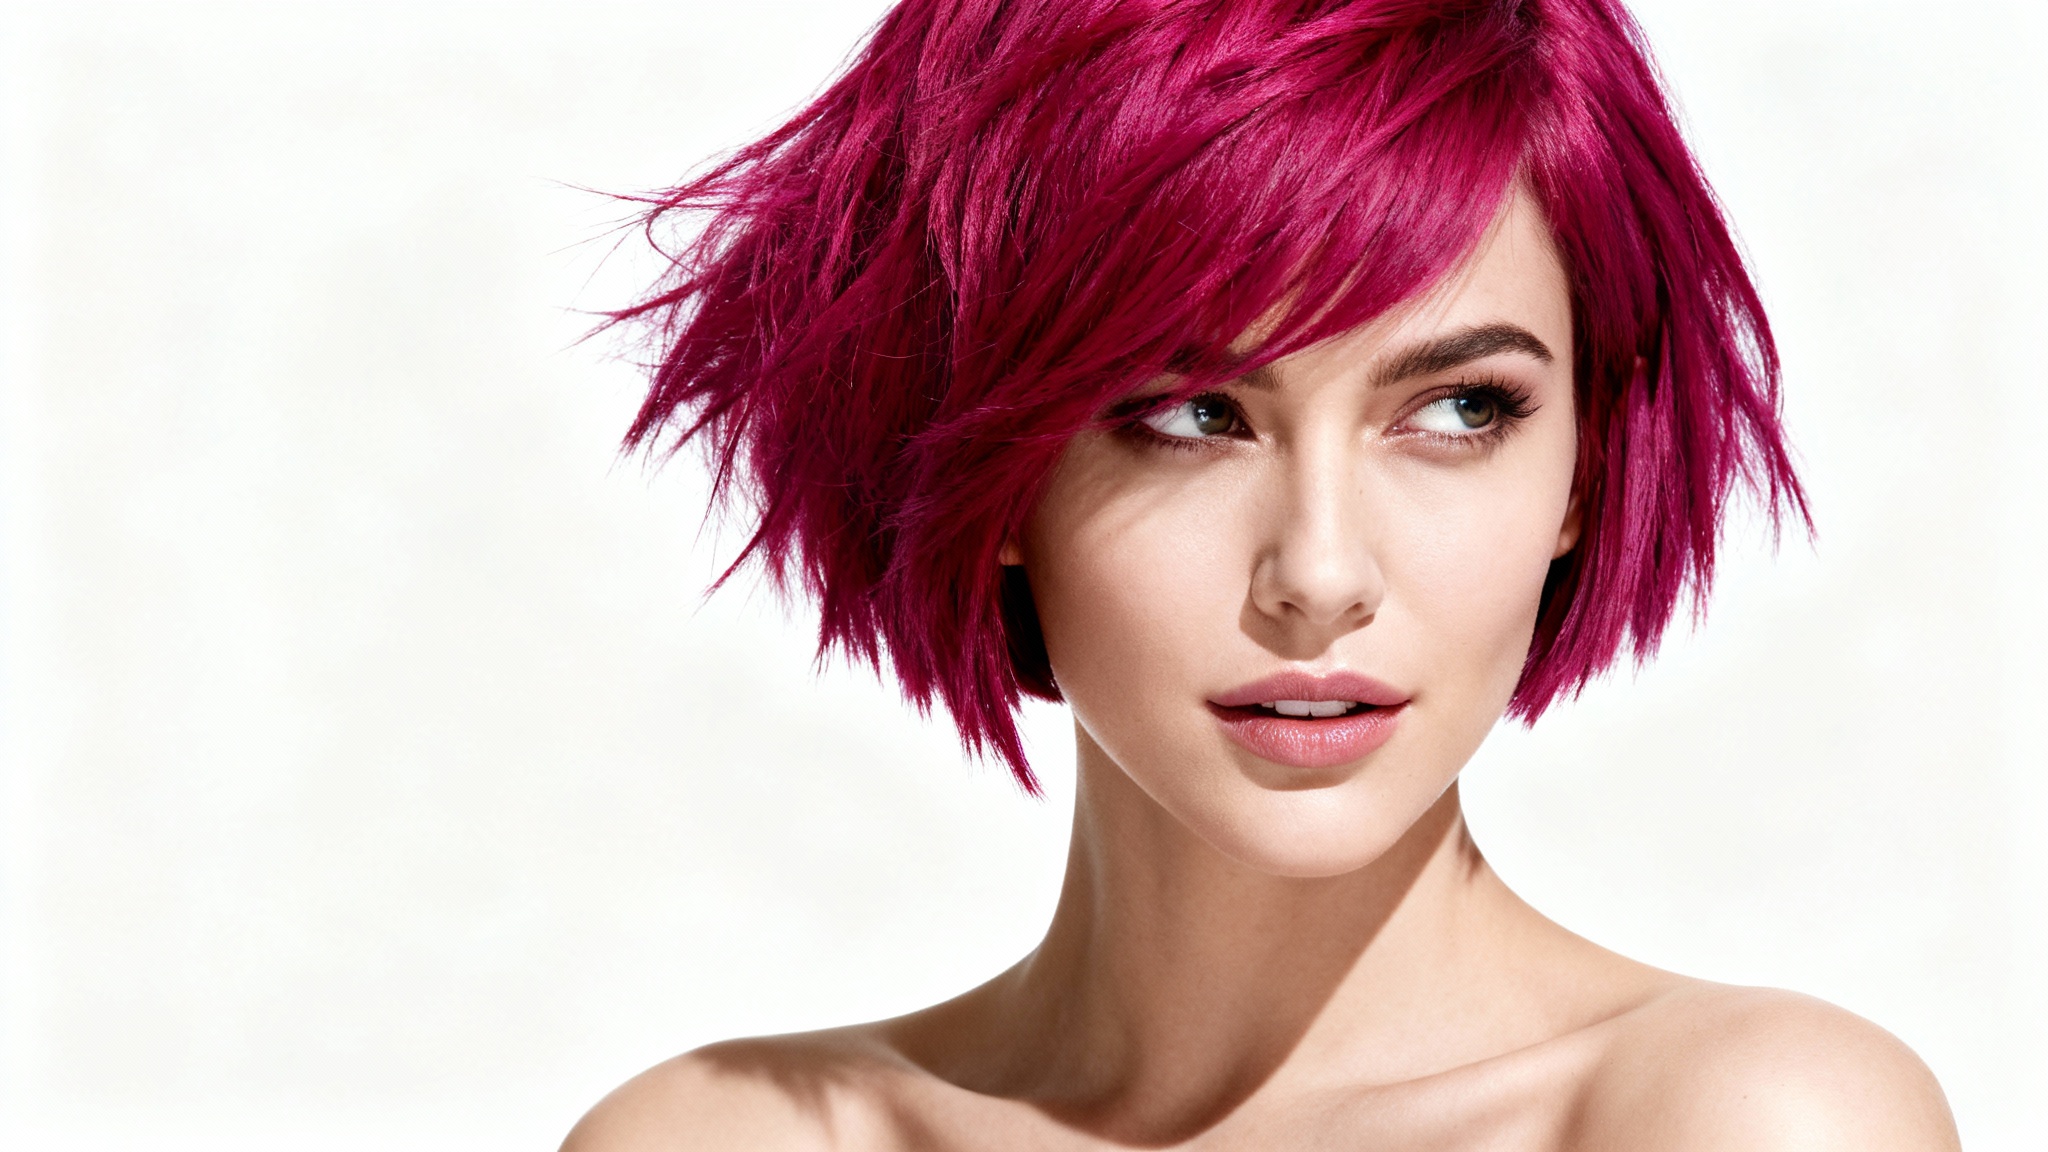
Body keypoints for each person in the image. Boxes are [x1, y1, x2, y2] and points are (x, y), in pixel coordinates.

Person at [565, 0, 1960, 1147]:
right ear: (992, 463)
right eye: (1192, 416)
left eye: (1460, 408)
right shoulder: (724, 1137)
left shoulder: (1743, 1119)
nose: (1321, 572)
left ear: (1584, 470)